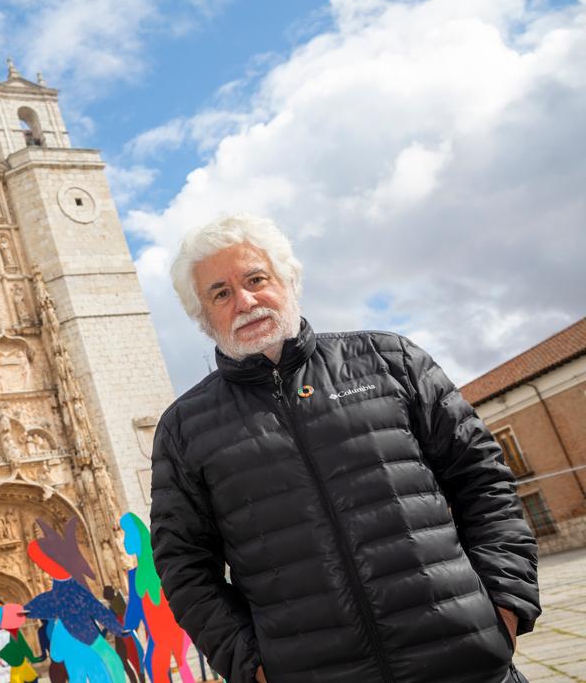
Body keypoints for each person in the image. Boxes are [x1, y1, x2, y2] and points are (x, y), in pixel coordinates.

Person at [149, 213, 539, 683]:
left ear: (289, 279)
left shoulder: (390, 361)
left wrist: (504, 605)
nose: (246, 301)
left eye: (256, 279)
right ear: (203, 317)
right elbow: (184, 565)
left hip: (469, 663)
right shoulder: (183, 428)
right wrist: (250, 665)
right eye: (221, 293)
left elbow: (482, 479)